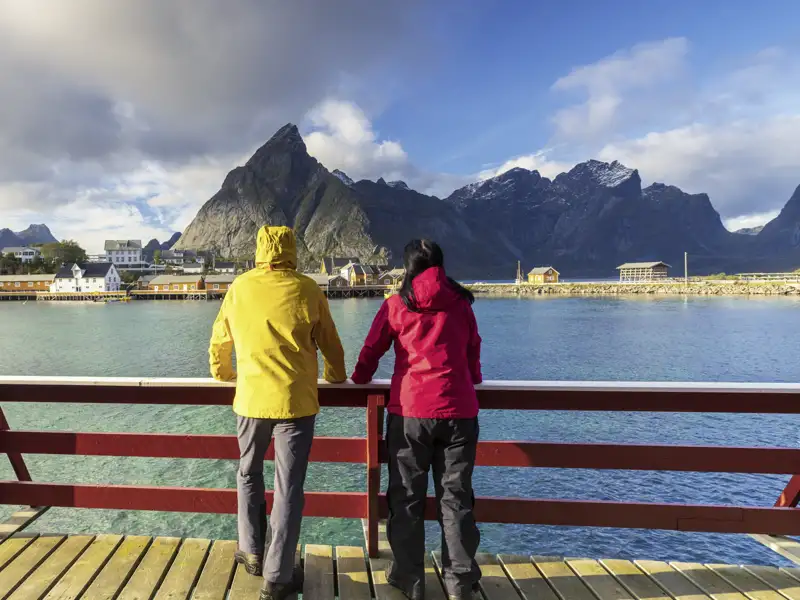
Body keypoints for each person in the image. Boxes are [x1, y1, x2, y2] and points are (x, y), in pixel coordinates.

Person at [209, 225, 346, 600]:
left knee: (247, 472)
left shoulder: (239, 288)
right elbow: (330, 342)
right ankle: (277, 575)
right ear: (291, 250)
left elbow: (221, 340)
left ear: (259, 250)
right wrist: (335, 376)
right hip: (296, 403)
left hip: (251, 399)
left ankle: (251, 550)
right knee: (288, 488)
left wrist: (224, 374)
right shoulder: (307, 288)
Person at [351, 239, 483, 600]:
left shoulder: (397, 303)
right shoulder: (461, 304)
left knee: (405, 497)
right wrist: (473, 377)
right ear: (441, 264)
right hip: (459, 412)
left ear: (408, 267)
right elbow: (473, 346)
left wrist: (360, 378)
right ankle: (459, 583)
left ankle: (409, 579)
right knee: (456, 499)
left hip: (409, 414)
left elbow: (372, 348)